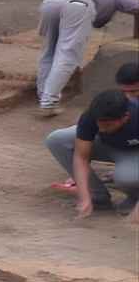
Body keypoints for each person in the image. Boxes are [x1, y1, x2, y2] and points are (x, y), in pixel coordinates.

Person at [36, 0, 139, 116]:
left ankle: (43, 96)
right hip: (78, 4)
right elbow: (137, 8)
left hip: (50, 1)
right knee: (68, 55)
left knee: (49, 52)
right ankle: (48, 103)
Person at [46, 89, 139, 222]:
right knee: (57, 140)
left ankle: (134, 198)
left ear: (125, 117)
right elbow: (81, 157)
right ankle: (98, 197)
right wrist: (85, 198)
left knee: (125, 177)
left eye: (107, 125)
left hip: (133, 152)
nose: (101, 129)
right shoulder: (91, 117)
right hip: (108, 145)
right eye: (98, 124)